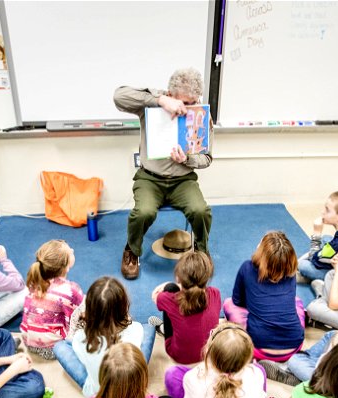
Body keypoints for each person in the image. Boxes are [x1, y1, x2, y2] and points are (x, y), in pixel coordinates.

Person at [114, 68, 213, 279]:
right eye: (183, 103)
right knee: (143, 213)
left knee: (200, 210)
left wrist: (187, 159)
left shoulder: (201, 113)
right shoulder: (153, 103)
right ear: (170, 94)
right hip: (149, 178)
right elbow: (119, 96)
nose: (188, 109)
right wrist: (160, 101)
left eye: (193, 102)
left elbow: (207, 158)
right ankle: (132, 250)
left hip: (183, 180)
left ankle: (202, 252)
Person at [53, 276, 156, 398]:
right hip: (130, 388)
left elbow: (78, 349)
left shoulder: (80, 338)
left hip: (97, 393)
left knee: (60, 346)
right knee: (148, 327)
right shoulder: (136, 329)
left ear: (89, 308)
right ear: (123, 306)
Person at [223, 231, 304, 360]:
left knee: (228, 303)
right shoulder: (291, 273)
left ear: (261, 252)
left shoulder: (247, 268)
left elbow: (237, 301)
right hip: (294, 346)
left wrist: (255, 303)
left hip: (258, 346)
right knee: (297, 301)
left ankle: (262, 361)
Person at [150, 251, 222, 364]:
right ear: (207, 278)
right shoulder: (215, 294)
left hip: (179, 357)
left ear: (178, 278)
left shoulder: (168, 299)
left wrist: (169, 285)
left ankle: (163, 328)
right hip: (208, 352)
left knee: (170, 288)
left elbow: (155, 296)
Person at [20, 240, 84, 359]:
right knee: (85, 317)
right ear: (66, 266)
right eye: (69, 251)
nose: (72, 250)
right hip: (54, 350)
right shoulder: (71, 291)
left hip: (29, 343)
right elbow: (80, 314)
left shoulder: (34, 283)